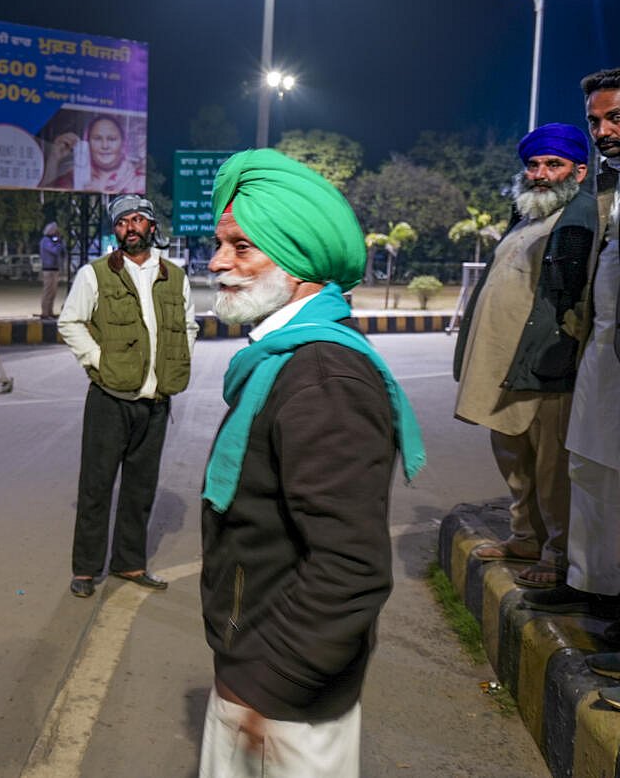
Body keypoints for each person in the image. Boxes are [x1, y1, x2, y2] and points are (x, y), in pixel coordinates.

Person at [198, 149, 424, 778]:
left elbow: (350, 565)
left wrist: (271, 683)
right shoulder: (284, 359)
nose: (217, 263)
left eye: (241, 248)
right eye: (220, 244)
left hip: (284, 697)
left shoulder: (322, 376)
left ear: (297, 263)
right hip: (264, 671)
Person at [453, 122, 596, 589]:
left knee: (551, 466)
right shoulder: (527, 219)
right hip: (503, 364)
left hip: (547, 363)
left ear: (578, 170)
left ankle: (557, 554)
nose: (540, 173)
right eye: (533, 165)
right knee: (513, 454)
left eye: (553, 164)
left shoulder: (582, 220)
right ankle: (524, 537)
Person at [58, 193, 197, 598]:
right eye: (122, 222)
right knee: (96, 486)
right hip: (109, 398)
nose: (130, 228)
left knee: (140, 488)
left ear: (152, 226)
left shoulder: (175, 276)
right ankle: (85, 570)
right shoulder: (94, 274)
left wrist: (175, 363)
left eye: (138, 220)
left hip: (155, 401)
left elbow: (188, 327)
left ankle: (130, 564)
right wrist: (98, 360)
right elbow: (71, 322)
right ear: (115, 230)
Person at [525, 70, 620, 623]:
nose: (603, 131)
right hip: (602, 348)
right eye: (596, 121)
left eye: (615, 118)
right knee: (590, 468)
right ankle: (592, 585)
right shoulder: (606, 190)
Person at [44, 114, 146, 193]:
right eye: (97, 139)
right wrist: (54, 159)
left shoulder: (138, 180)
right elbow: (45, 196)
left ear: (123, 143)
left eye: (112, 139)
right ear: (88, 142)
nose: (105, 146)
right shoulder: (73, 176)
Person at [38, 221, 66, 319]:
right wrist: (59, 242)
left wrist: (60, 242)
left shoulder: (52, 240)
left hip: (54, 269)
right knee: (48, 291)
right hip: (48, 269)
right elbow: (54, 251)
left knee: (53, 292)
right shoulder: (45, 240)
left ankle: (50, 311)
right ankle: (45, 312)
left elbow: (62, 251)